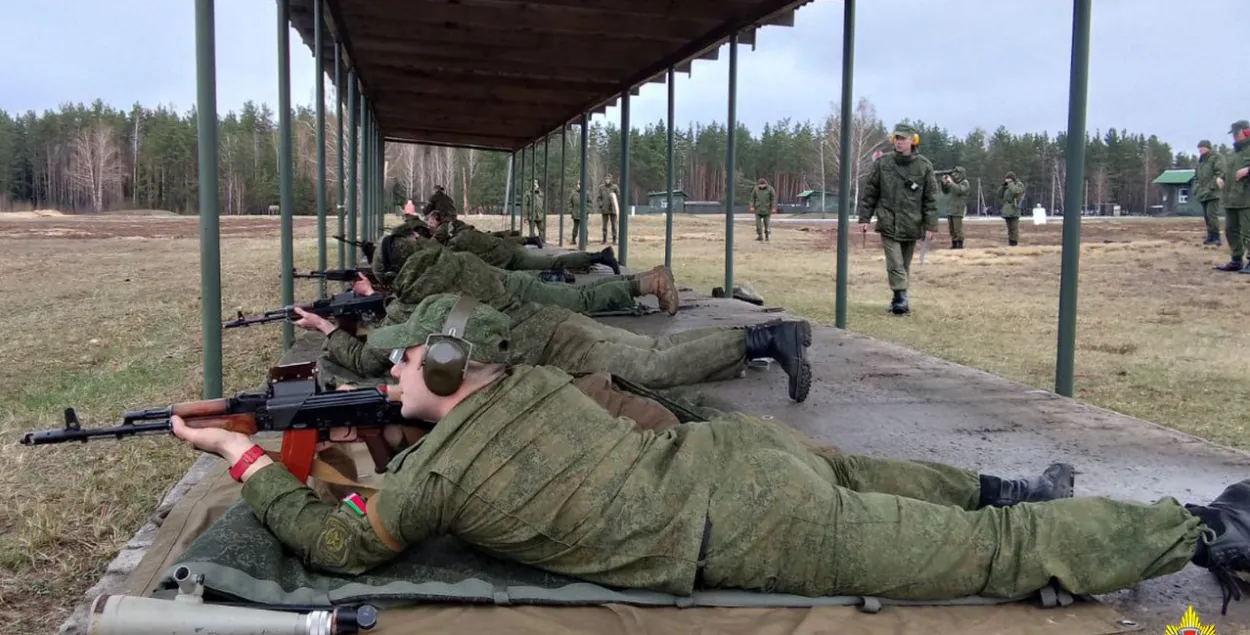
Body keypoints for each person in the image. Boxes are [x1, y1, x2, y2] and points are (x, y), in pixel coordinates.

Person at [169, 294, 1250, 616]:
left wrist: (241, 453)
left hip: (740, 523)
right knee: (892, 481)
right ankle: (1010, 480)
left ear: (452, 384)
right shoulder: (535, 382)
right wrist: (390, 422)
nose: (400, 371)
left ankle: (1200, 527)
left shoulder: (441, 473)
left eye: (406, 366)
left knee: (987, 554)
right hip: (735, 459)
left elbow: (343, 543)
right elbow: (470, 424)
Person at [303, 250, 812, 402]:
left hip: (551, 342)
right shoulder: (440, 274)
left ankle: (768, 339)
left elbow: (375, 356)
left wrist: (331, 333)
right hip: (551, 322)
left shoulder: (421, 310)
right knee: (652, 352)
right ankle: (759, 340)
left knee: (650, 369)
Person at [857, 123, 938, 316]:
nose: (899, 142)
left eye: (903, 138)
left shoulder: (924, 166)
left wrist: (930, 225)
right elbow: (871, 191)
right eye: (897, 138)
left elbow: (931, 198)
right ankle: (901, 298)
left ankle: (898, 298)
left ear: (913, 140)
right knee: (894, 262)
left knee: (904, 264)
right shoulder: (883, 164)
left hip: (912, 222)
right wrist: (865, 217)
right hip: (888, 221)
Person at [426, 209, 620, 274]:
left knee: (553, 263)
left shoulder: (457, 240)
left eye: (430, 222)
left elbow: (434, 252)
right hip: (509, 251)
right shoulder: (464, 230)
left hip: (512, 258)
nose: (429, 225)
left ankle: (600, 257)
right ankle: (598, 257)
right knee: (552, 261)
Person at [1214, 120, 1250, 274]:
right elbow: (1230, 170)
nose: (1234, 137)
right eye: (1233, 134)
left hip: (1246, 199)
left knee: (1248, 232)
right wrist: (1221, 178)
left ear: (1246, 132)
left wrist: (1248, 170)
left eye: (1237, 133)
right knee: (1230, 230)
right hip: (1231, 199)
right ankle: (1236, 260)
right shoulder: (1234, 153)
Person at [1194, 140, 1225, 247]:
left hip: (1213, 193)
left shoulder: (1216, 157)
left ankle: (1216, 237)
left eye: (1202, 147)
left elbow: (1220, 173)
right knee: (1206, 216)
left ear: (1208, 147)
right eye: (1199, 147)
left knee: (1212, 215)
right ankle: (1210, 236)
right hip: (1202, 193)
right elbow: (1196, 176)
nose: (1200, 149)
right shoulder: (1201, 161)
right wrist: (1196, 187)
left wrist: (1211, 187)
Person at [940, 167, 971, 249]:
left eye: (956, 173)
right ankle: (954, 243)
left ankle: (960, 244)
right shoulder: (954, 184)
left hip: (958, 208)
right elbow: (945, 191)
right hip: (951, 208)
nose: (954, 175)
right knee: (951, 228)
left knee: (958, 228)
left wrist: (950, 182)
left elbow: (959, 191)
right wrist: (944, 183)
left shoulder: (965, 183)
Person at [998, 172, 1026, 246]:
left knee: (1014, 227)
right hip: (1007, 209)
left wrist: (1010, 184)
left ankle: (1014, 242)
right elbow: (999, 195)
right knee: (1009, 228)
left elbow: (1015, 191)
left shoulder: (1018, 184)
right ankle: (1010, 241)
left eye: (1009, 179)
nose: (1007, 180)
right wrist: (1003, 186)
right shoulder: (1006, 187)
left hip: (1014, 208)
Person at [749, 177, 777, 242]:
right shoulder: (755, 189)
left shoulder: (770, 189)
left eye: (763, 184)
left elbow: (773, 199)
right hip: (758, 210)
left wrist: (773, 208)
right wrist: (751, 206)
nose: (761, 186)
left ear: (766, 184)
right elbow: (752, 198)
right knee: (758, 224)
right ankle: (760, 236)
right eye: (760, 185)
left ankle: (767, 236)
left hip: (767, 210)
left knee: (767, 224)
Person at [596, 174, 620, 244]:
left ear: (611, 179)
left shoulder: (615, 187)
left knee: (614, 226)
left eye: (608, 179)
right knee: (604, 226)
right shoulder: (601, 187)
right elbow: (599, 197)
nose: (607, 180)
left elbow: (619, 196)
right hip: (605, 209)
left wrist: (615, 203)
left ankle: (614, 240)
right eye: (606, 179)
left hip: (613, 209)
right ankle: (604, 239)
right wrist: (601, 205)